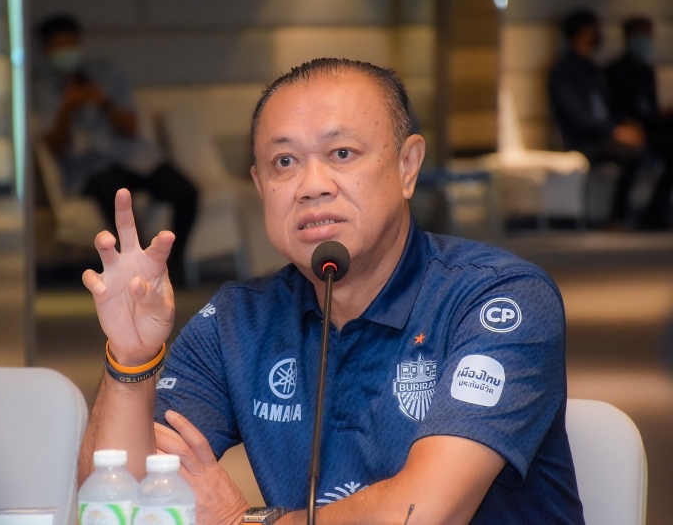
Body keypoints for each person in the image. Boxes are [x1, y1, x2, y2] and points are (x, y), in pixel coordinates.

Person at [78, 58, 584, 524]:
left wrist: (244, 521)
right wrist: (131, 361)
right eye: (284, 162)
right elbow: (117, 501)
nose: (311, 185)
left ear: (408, 166)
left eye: (342, 153)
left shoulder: (499, 300)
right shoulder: (237, 319)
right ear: (260, 185)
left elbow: (423, 513)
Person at [33, 13, 199, 284]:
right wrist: (68, 107)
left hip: (133, 157)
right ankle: (140, 270)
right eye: (59, 46)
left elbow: (131, 127)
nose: (66, 52)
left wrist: (102, 102)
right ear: (46, 49)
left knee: (186, 191)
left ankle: (174, 266)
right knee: (117, 196)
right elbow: (54, 147)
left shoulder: (105, 73)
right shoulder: (42, 89)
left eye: (71, 44)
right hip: (90, 167)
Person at [548, 8, 647, 228]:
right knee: (636, 154)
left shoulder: (592, 68)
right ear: (583, 32)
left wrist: (625, 126)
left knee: (646, 146)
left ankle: (639, 215)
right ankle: (618, 217)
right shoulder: (563, 70)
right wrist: (614, 131)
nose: (600, 33)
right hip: (583, 139)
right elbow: (576, 116)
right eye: (595, 28)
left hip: (603, 134)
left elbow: (608, 106)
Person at [605, 16, 673, 230]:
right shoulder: (613, 71)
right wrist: (623, 127)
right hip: (624, 132)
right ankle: (619, 216)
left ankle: (656, 213)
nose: (646, 41)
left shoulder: (647, 71)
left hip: (649, 130)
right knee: (635, 155)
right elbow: (610, 109)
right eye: (641, 35)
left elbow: (650, 109)